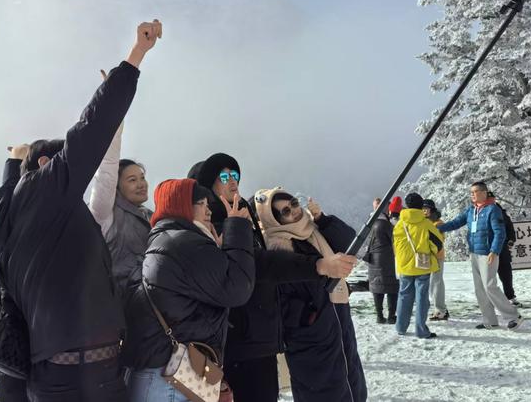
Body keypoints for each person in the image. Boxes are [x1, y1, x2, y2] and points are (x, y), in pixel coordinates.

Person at [0, 20, 161, 401]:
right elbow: (90, 128)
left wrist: (12, 164)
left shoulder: (14, 217)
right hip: (82, 378)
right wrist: (136, 55)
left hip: (63, 375)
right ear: (44, 166)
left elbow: (3, 200)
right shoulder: (47, 188)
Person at [192, 153, 357, 402]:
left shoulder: (244, 217)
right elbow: (259, 265)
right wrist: (319, 271)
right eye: (223, 177)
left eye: (234, 175)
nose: (232, 180)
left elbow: (347, 241)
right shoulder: (215, 224)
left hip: (263, 334)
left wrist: (322, 222)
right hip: (243, 339)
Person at [122, 179, 255, 401]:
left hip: (162, 374)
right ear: (182, 205)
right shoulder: (184, 243)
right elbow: (238, 287)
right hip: (171, 380)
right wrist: (237, 229)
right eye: (201, 203)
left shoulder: (167, 240)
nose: (209, 210)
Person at [256, 187, 366, 402]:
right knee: (323, 393)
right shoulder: (276, 248)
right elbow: (279, 299)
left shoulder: (313, 228)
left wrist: (322, 219)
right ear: (273, 220)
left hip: (338, 320)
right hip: (311, 338)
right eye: (285, 211)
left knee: (351, 382)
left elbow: (349, 243)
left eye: (294, 204)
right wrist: (311, 317)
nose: (294, 211)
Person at [440, 181, 523, 330]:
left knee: (490, 286)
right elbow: (456, 223)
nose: (472, 194)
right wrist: (439, 228)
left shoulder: (493, 210)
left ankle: (513, 316)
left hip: (488, 254)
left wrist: (494, 251)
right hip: (474, 253)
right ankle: (489, 320)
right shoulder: (471, 210)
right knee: (480, 289)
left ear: (484, 193)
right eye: (471, 192)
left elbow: (500, 232)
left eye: (475, 191)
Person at [88, 106, 153, 296]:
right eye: (132, 180)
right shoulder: (105, 213)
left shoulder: (151, 216)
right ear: (116, 187)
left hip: (153, 310)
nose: (141, 184)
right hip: (120, 308)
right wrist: (113, 115)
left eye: (142, 177)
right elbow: (106, 172)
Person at [0, 144, 30, 402]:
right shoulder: (13, 228)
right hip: (21, 337)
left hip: (15, 339)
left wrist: (15, 162)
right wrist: (14, 163)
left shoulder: (5, 236)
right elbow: (6, 203)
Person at [393, 193, 443, 339]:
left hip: (404, 265)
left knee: (404, 295)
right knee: (422, 297)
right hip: (422, 264)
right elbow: (437, 243)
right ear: (421, 206)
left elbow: (396, 244)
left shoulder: (400, 224)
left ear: (407, 205)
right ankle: (421, 330)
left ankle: (400, 327)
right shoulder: (426, 223)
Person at [366, 199, 399, 324]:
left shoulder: (369, 223)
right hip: (387, 259)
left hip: (373, 259)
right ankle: (391, 316)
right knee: (392, 287)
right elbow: (394, 240)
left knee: (377, 287)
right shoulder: (386, 224)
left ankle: (379, 315)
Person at [490, 193, 520, 307]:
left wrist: (511, 239)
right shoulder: (481, 212)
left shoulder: (501, 211)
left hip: (503, 248)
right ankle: (491, 299)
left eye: (492, 199)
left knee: (506, 274)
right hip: (488, 249)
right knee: (489, 276)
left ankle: (510, 296)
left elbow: (510, 227)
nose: (491, 201)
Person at [424, 199, 449, 322]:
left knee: (436, 283)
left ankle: (440, 310)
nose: (424, 211)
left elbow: (439, 240)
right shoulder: (427, 222)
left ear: (432, 210)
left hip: (437, 257)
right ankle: (440, 308)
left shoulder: (438, 224)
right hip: (428, 257)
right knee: (434, 283)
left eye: (426, 209)